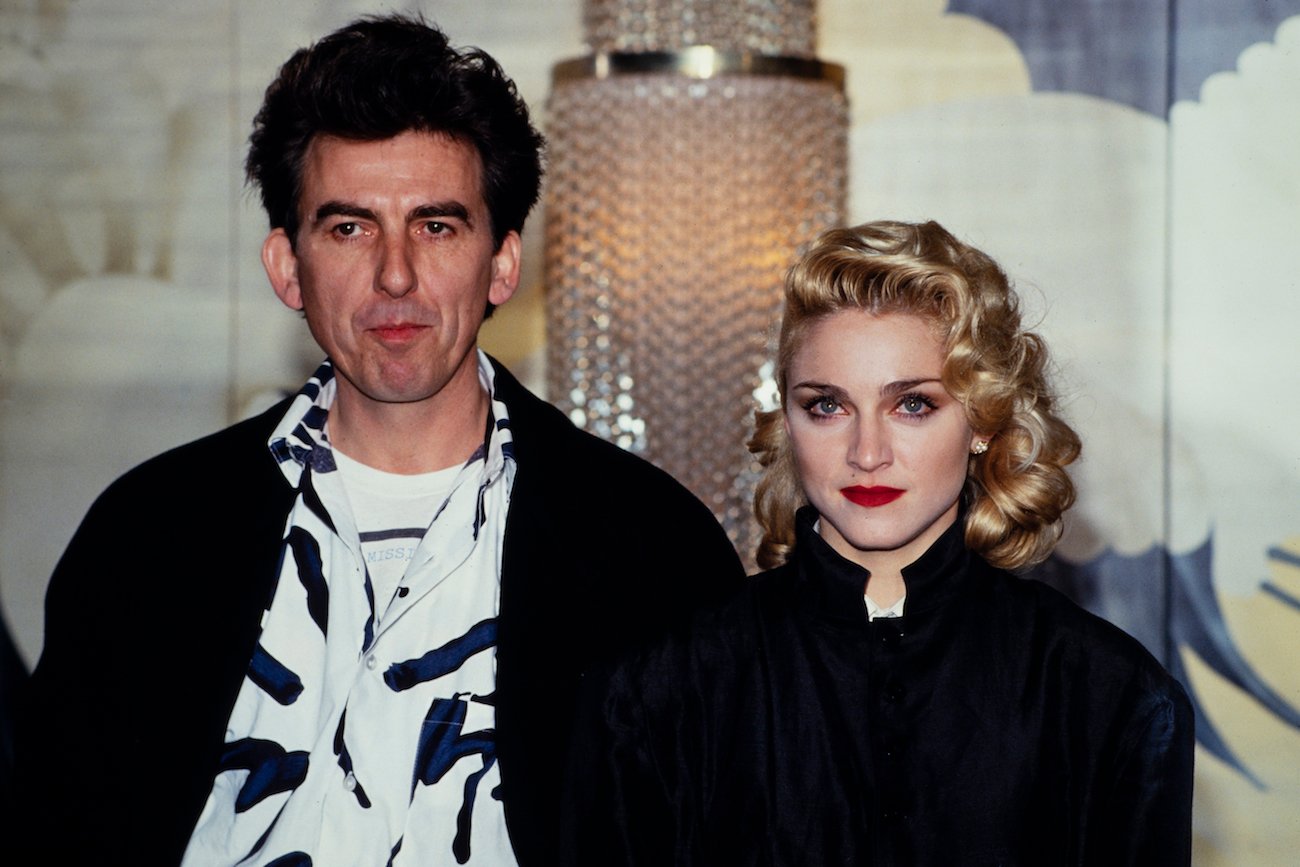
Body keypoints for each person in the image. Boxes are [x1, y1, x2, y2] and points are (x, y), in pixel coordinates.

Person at [14, 15, 743, 867]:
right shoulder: (146, 538)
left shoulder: (650, 550)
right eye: (349, 227)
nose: (395, 274)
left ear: (503, 263)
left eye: (436, 226)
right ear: (287, 266)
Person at [563, 220, 1194, 865]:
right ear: (788, 422)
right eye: (827, 406)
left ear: (982, 421)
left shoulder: (1111, 696)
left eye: (912, 405)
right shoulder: (658, 693)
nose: (867, 454)